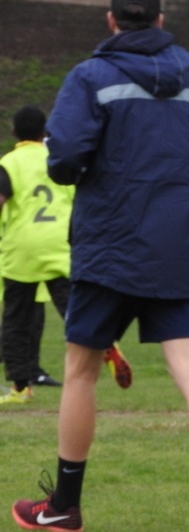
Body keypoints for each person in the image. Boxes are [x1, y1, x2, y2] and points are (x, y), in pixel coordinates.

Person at [11, 1, 189, 532]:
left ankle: (64, 507)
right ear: (161, 21)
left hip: (110, 246)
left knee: (80, 372)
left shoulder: (91, 76)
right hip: (177, 243)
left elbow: (65, 159)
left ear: (111, 20)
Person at [0, 105, 73, 404]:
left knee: (16, 319)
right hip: (60, 244)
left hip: (22, 248)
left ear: (14, 132)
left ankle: (20, 387)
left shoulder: (9, 162)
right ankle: (102, 342)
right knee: (75, 309)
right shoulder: (58, 159)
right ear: (45, 132)